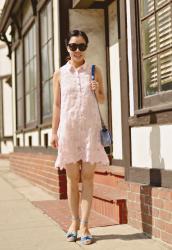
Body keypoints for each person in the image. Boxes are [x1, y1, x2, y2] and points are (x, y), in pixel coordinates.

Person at [51, 30, 109, 245]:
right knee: (71, 179)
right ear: (67, 47)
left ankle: (85, 225)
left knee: (88, 178)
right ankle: (73, 222)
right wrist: (53, 131)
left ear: (86, 47)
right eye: (74, 46)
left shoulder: (95, 71)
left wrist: (97, 90)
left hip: (90, 131)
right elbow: (57, 105)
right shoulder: (59, 74)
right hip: (68, 130)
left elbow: (102, 99)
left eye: (82, 46)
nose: (77, 50)